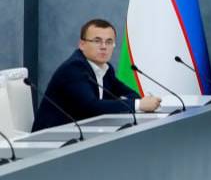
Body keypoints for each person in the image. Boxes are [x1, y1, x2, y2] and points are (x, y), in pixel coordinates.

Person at [32, 19, 162, 131]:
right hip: (51, 139)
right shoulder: (74, 68)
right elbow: (92, 107)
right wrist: (138, 105)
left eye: (109, 42)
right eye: (97, 41)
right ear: (82, 45)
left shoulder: (106, 68)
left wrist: (130, 102)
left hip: (81, 135)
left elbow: (132, 95)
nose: (104, 47)